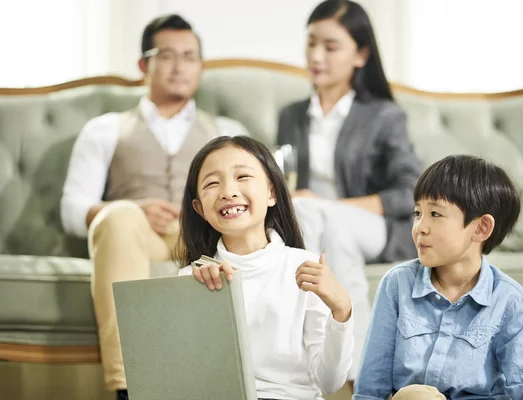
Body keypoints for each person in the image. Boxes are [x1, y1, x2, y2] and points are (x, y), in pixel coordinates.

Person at [60, 14, 247, 399]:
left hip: (200, 237)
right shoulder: (106, 128)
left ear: (200, 66)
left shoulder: (227, 130)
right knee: (119, 216)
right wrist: (129, 207)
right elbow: (72, 209)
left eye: (189, 56)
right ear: (143, 64)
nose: (179, 66)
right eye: (166, 55)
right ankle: (126, 387)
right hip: (134, 237)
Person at [277, 0, 422, 380]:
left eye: (330, 46)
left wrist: (329, 205)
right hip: (318, 229)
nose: (316, 55)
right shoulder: (291, 116)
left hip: (376, 227)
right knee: (325, 227)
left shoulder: (384, 115)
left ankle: (352, 370)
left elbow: (410, 190)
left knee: (319, 213)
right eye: (311, 43)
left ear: (360, 55)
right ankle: (357, 375)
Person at [353, 155, 523, 400]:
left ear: (481, 228)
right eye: (418, 213)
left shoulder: (510, 301)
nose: (420, 227)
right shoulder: (396, 285)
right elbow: (370, 391)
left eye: (435, 214)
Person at [177, 135, 354, 400]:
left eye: (243, 177)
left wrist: (341, 311)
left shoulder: (304, 267)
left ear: (272, 193)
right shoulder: (191, 278)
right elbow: (182, 380)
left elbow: (329, 382)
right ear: (199, 209)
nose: (228, 192)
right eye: (212, 183)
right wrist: (198, 300)